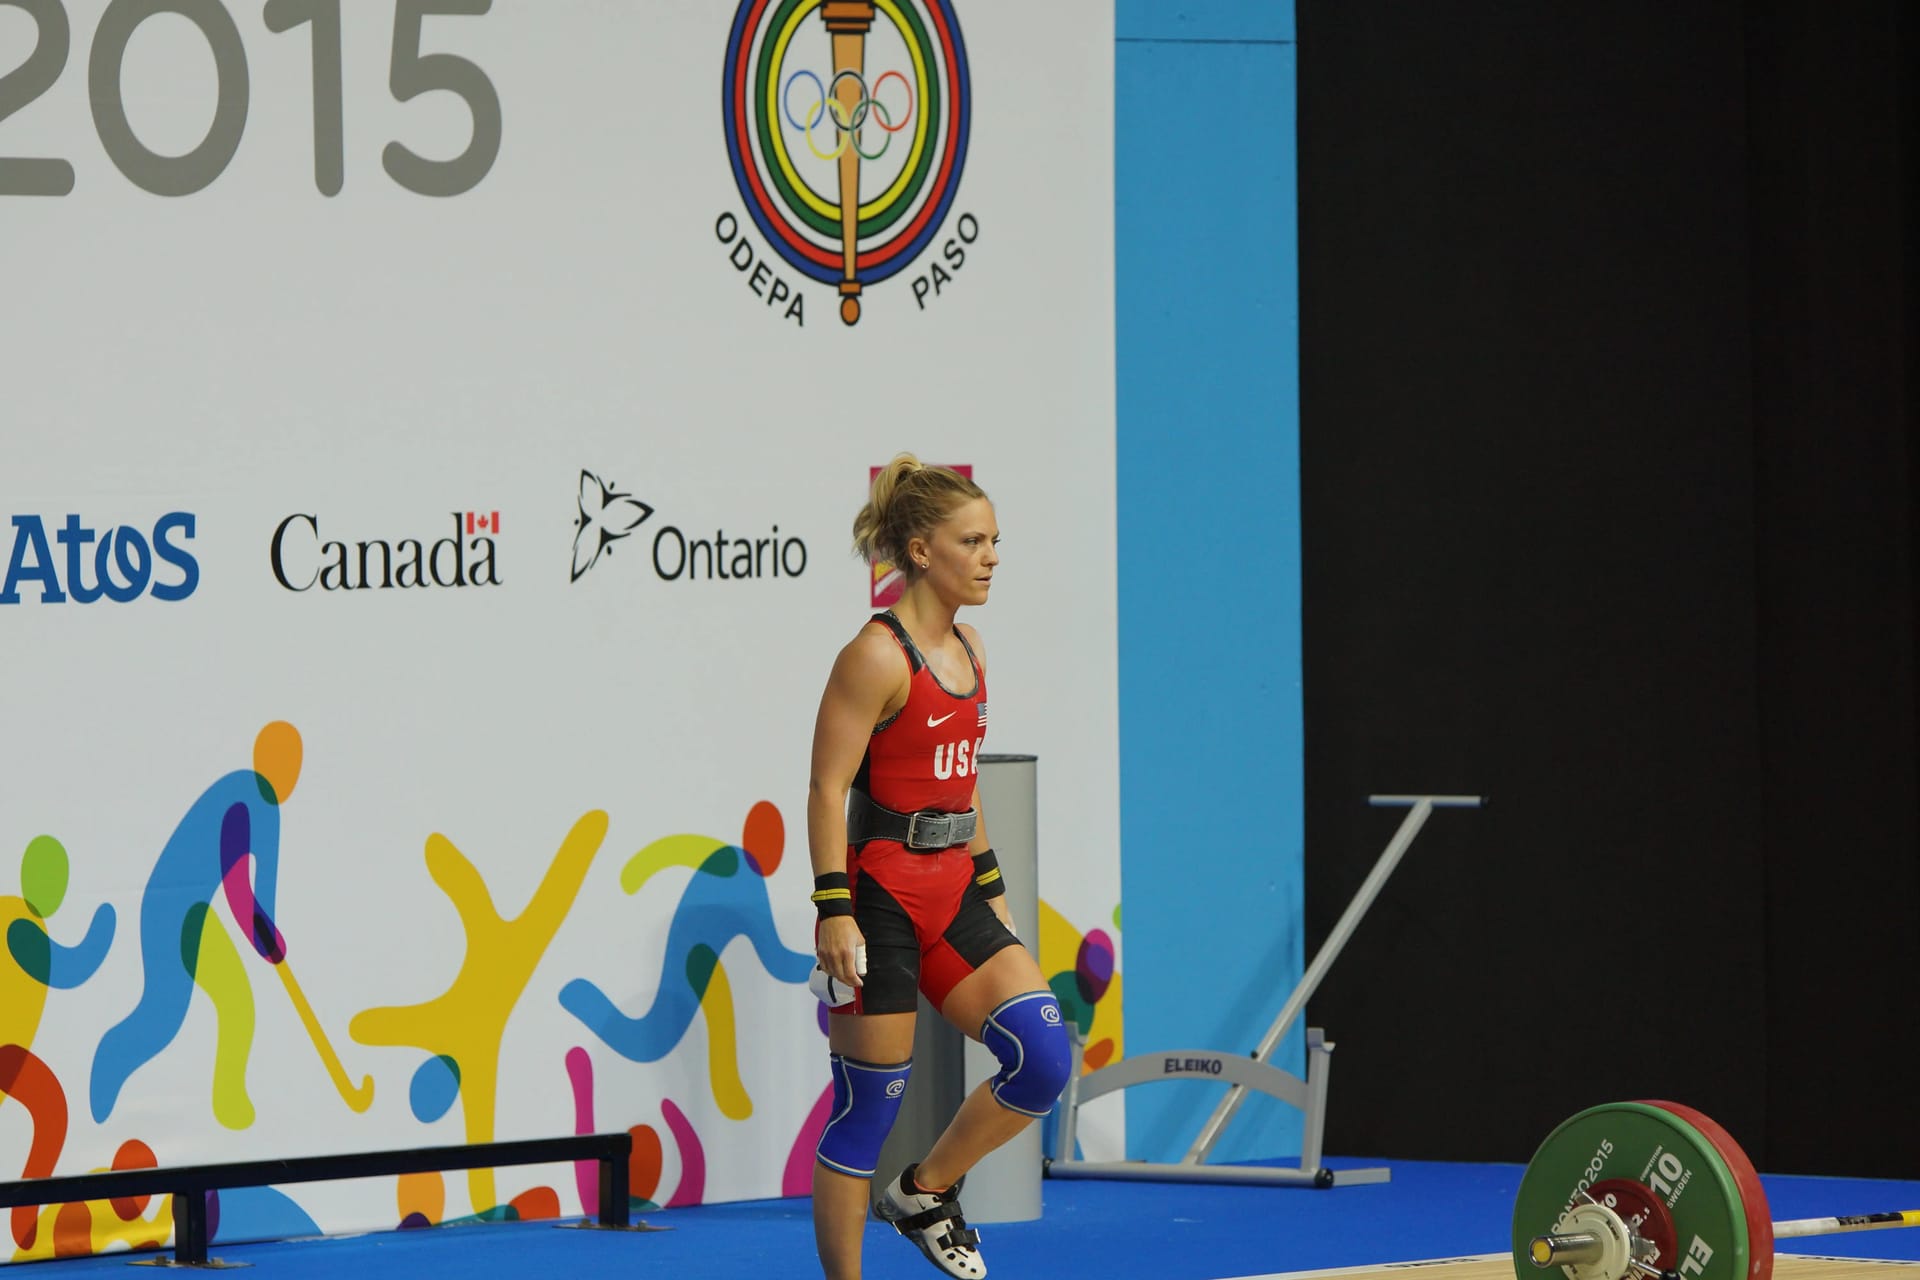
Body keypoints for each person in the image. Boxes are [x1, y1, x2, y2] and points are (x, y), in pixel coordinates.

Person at [807, 455, 1071, 1280]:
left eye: (996, 540)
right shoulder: (875, 656)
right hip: (879, 900)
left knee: (1043, 1057)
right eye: (973, 541)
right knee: (865, 1114)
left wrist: (993, 888)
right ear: (921, 551)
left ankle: (925, 1191)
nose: (992, 556)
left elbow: (963, 784)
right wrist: (833, 910)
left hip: (954, 892)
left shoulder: (973, 649)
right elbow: (825, 786)